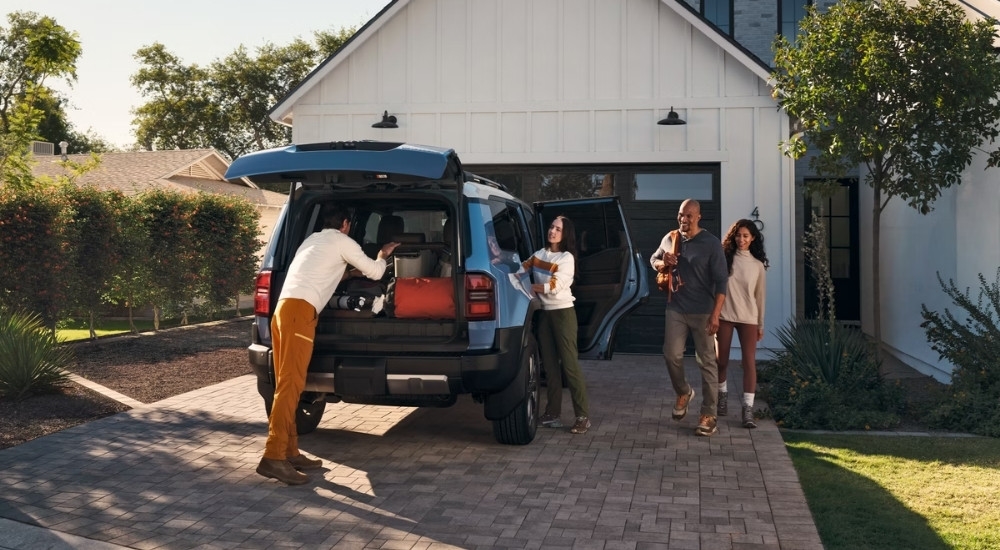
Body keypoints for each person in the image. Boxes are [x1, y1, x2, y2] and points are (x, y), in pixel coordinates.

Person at [257, 204, 399, 485]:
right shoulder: (343, 241)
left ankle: (290, 451)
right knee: (290, 385)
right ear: (346, 223)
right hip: (300, 314)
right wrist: (383, 255)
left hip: (283, 310)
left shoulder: (312, 240)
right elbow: (375, 273)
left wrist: (347, 275)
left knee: (290, 383)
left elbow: (319, 273)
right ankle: (273, 456)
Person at [650, 199, 728, 436]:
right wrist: (664, 262)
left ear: (699, 217)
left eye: (689, 216)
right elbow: (653, 260)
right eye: (681, 215)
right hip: (676, 307)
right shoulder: (671, 238)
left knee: (706, 362)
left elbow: (722, 281)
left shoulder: (711, 244)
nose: (684, 219)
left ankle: (708, 415)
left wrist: (716, 314)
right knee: (671, 354)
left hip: (704, 311)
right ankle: (683, 391)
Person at [519, 215, 591, 435]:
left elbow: (555, 285)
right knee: (549, 367)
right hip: (545, 315)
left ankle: (583, 417)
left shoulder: (566, 258)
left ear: (565, 234)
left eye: (558, 229)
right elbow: (520, 270)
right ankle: (553, 415)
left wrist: (532, 288)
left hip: (563, 314)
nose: (553, 231)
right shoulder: (540, 255)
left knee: (569, 366)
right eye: (551, 227)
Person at [716, 219, 768, 429]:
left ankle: (747, 410)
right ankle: (722, 397)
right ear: (733, 237)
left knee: (749, 363)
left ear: (753, 238)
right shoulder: (724, 259)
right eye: (738, 235)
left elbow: (760, 297)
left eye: (746, 236)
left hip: (749, 319)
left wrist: (760, 324)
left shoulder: (757, 266)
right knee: (721, 361)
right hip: (725, 316)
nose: (741, 239)